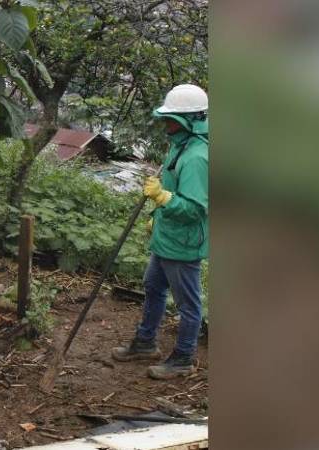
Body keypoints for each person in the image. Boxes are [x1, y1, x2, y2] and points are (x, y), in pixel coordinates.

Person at [110, 84, 209, 379]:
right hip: (167, 237)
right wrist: (158, 214)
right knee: (153, 287)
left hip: (183, 243)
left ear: (190, 120)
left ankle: (183, 358)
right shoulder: (180, 146)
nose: (165, 124)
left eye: (172, 119)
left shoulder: (197, 158)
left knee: (188, 304)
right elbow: (173, 188)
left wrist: (162, 199)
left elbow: (195, 209)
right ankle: (145, 342)